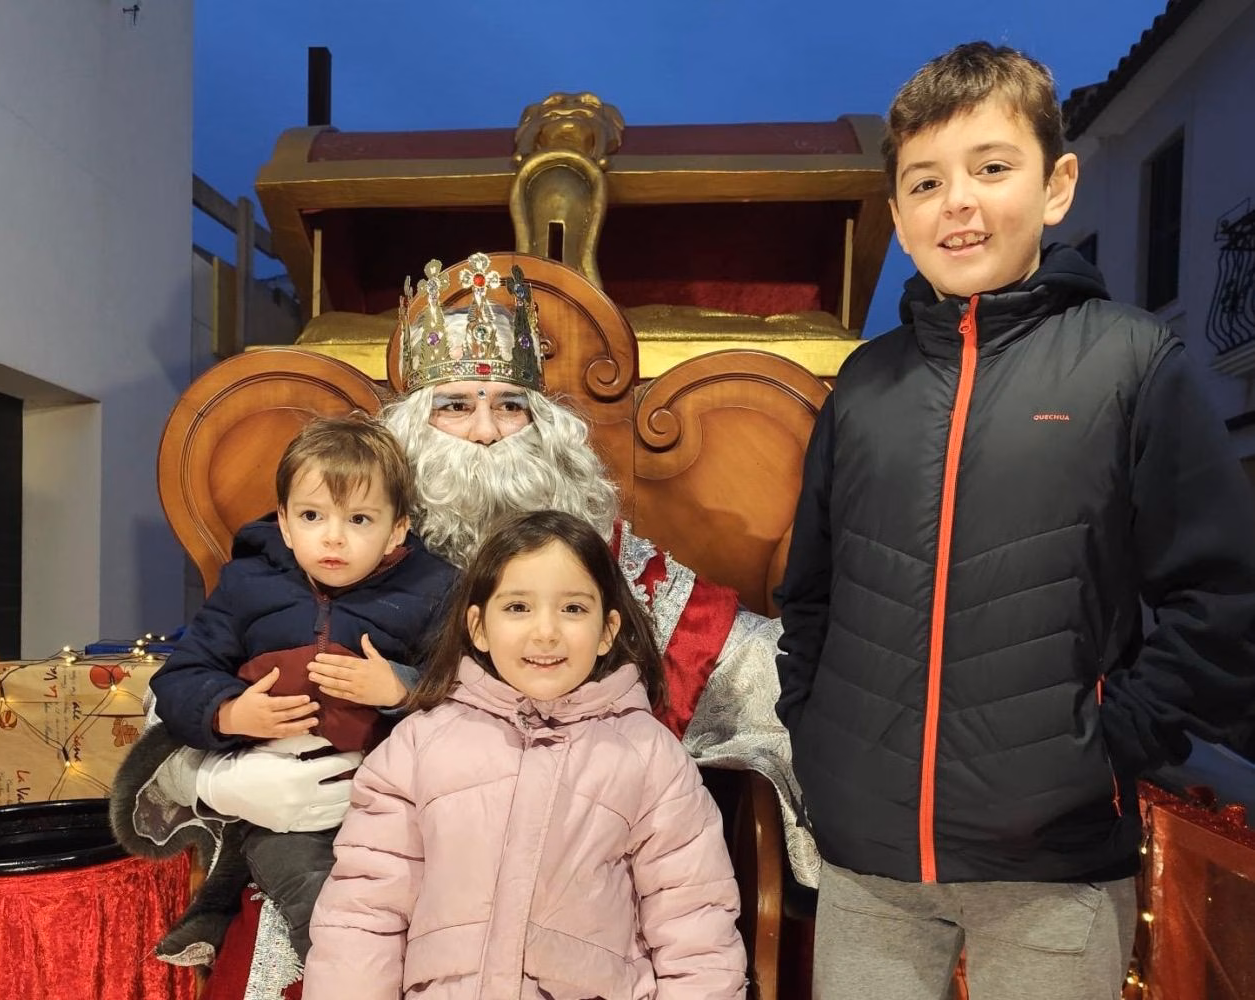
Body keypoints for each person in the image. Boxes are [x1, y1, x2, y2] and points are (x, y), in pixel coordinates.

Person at [121, 253, 814, 997]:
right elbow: (173, 696)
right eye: (454, 405)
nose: (486, 432)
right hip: (349, 903)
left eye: (509, 406)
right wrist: (222, 783)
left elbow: (774, 677)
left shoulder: (617, 577)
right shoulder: (318, 560)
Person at [774, 41, 1255, 1000]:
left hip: (1055, 867)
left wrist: (1105, 747)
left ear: (1057, 184)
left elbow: (1220, 599)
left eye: (992, 167)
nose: (959, 201)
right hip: (870, 867)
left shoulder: (1131, 364)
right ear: (901, 216)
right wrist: (817, 736)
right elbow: (812, 594)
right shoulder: (864, 387)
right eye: (925, 181)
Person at [304, 509, 747, 998]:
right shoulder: (417, 746)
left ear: (606, 631)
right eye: (517, 608)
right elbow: (363, 913)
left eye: (573, 609)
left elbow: (695, 925)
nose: (546, 632)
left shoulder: (650, 758)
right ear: (479, 627)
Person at [111, 413, 456, 966]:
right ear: (286, 523)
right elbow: (180, 678)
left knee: (418, 887)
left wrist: (399, 688)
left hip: (386, 796)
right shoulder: (250, 585)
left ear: (397, 530)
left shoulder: (432, 590)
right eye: (312, 516)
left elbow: (462, 686)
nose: (334, 537)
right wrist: (228, 713)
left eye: (360, 519)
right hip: (272, 798)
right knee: (312, 893)